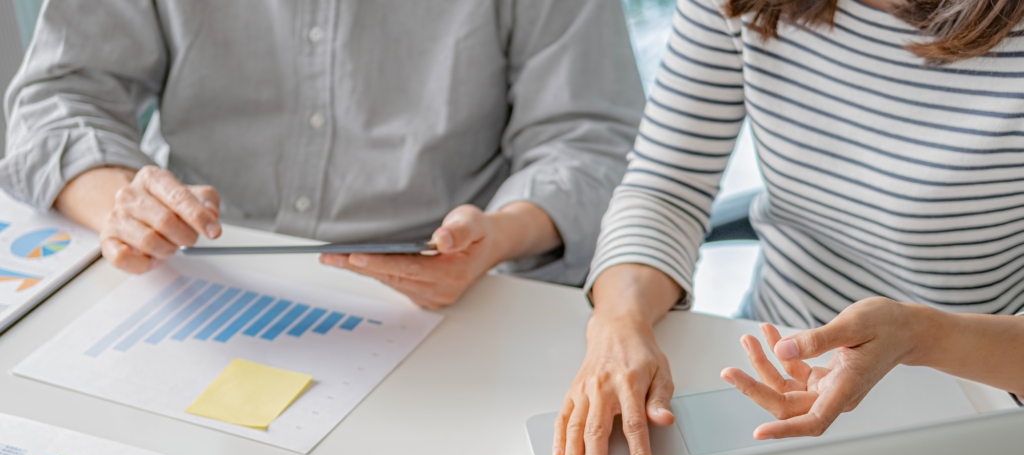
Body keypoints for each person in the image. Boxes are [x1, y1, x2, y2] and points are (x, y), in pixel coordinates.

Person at [556, 0, 1024, 455]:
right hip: (773, 370)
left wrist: (923, 336)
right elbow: (665, 188)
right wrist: (619, 323)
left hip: (979, 396)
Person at [0, 0, 645, 309]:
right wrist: (124, 204)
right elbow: (59, 95)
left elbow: (590, 141)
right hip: (196, 276)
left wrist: (501, 235)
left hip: (436, 297)